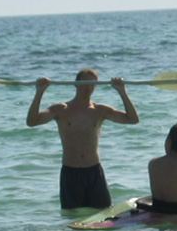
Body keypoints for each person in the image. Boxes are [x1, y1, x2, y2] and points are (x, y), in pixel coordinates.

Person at [26, 68, 140, 209]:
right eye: (85, 83)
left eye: (92, 84)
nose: (88, 87)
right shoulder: (61, 109)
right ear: (76, 84)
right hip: (71, 172)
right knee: (72, 217)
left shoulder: (100, 110)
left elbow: (133, 119)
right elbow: (32, 122)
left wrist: (122, 92)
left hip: (94, 172)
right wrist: (40, 92)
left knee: (104, 214)